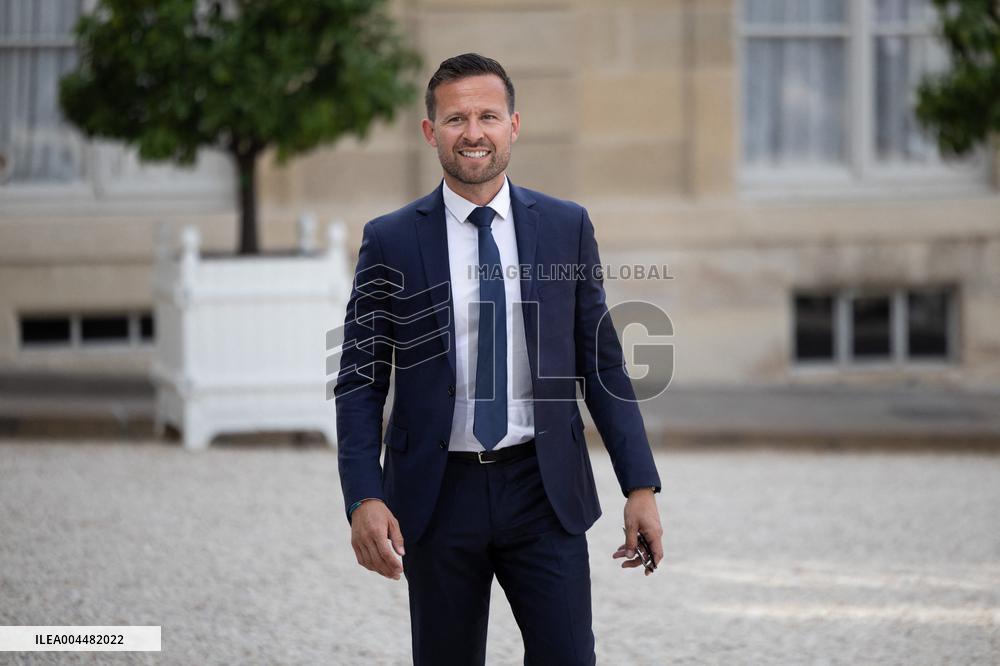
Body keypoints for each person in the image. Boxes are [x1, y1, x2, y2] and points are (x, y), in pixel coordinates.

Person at [335, 53, 663, 665]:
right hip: (438, 496)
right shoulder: (392, 239)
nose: (473, 132)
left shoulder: (566, 227)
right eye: (456, 118)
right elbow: (359, 379)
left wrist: (639, 485)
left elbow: (603, 364)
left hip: (543, 488)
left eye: (488, 115)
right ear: (431, 132)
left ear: (515, 125)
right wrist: (362, 496)